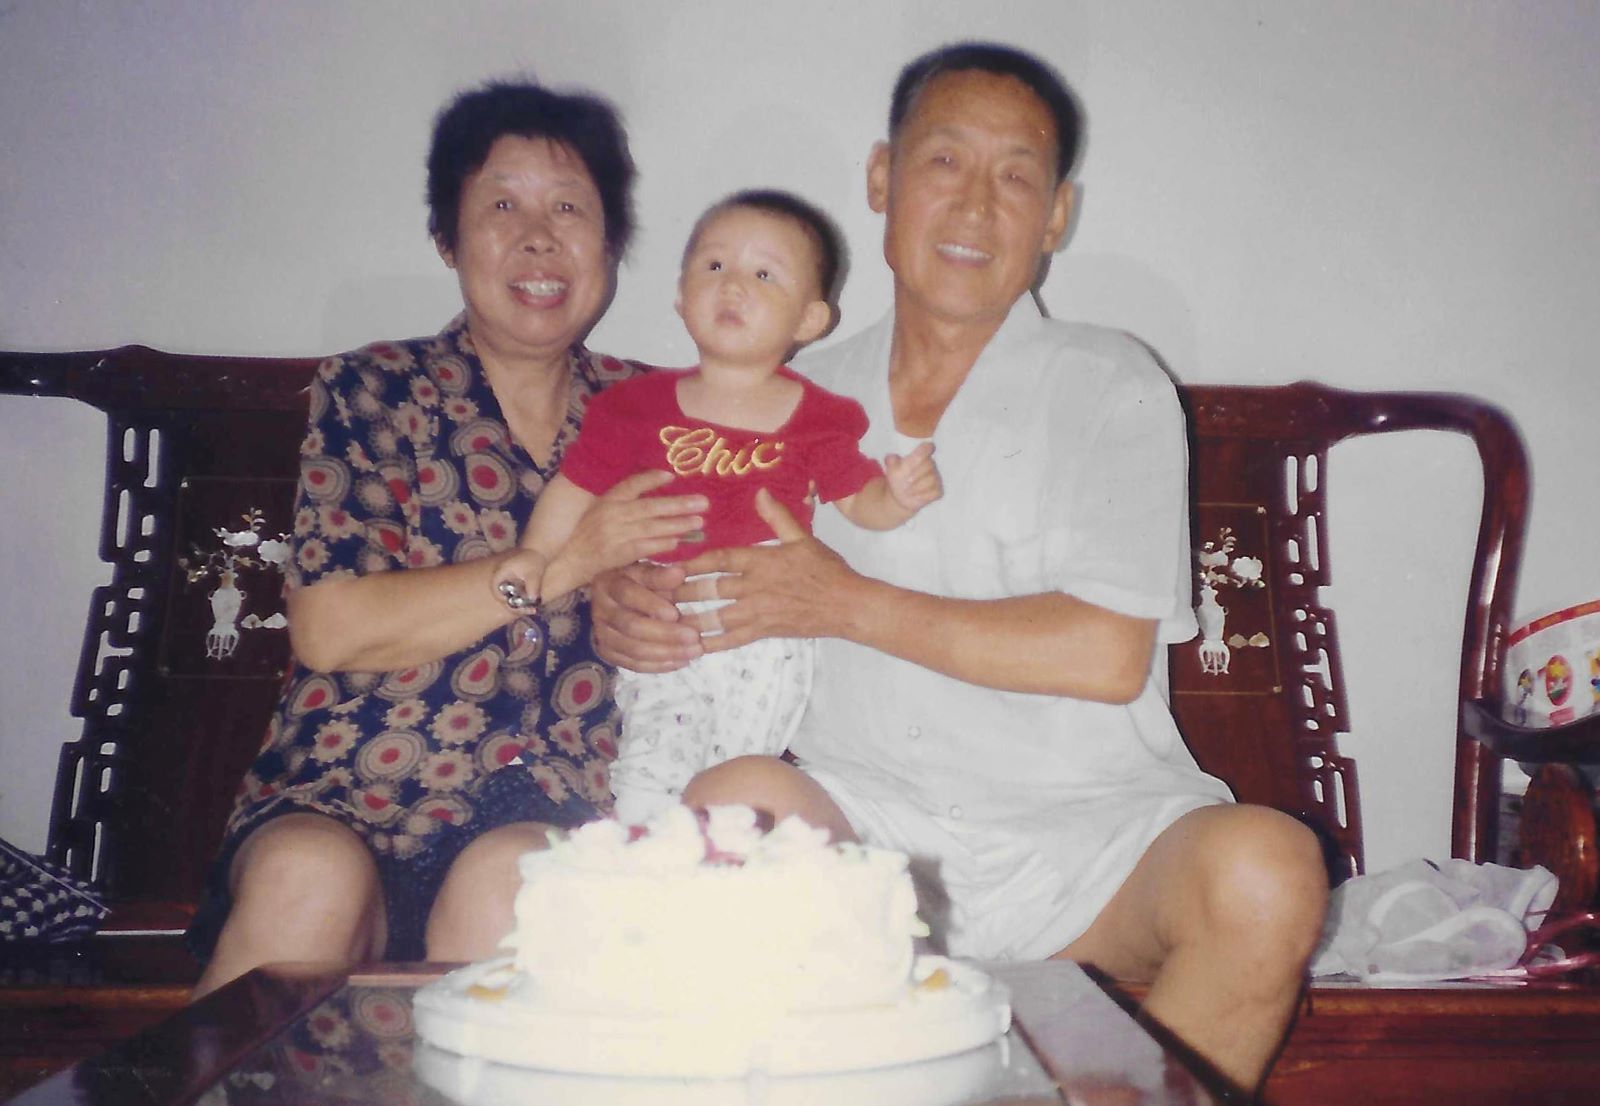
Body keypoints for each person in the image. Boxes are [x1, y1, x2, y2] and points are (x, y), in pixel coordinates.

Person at [590, 42, 1328, 1097]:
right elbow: (702, 571)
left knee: (1265, 868)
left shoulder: (1111, 383)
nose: (978, 206)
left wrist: (845, 602)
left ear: (1058, 216)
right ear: (882, 180)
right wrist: (634, 601)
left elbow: (1105, 653)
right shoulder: (786, 395)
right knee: (730, 807)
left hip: (1096, 840)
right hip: (869, 828)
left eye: (1016, 175)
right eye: (945, 162)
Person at [186, 79, 707, 998]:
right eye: (501, 205)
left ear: (611, 243)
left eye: (570, 209)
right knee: (303, 882)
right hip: (349, 788)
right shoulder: (372, 393)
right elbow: (333, 630)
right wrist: (569, 563)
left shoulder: (665, 419)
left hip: (555, 798)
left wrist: (658, 615)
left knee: (516, 889)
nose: (538, 238)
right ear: (447, 237)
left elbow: (712, 622)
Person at [491, 190, 942, 825]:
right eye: (714, 267)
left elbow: (856, 497)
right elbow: (576, 487)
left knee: (738, 777)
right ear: (680, 297)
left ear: (809, 321)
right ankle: (641, 848)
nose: (734, 286)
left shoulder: (818, 417)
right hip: (666, 611)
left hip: (765, 624)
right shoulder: (634, 406)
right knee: (655, 753)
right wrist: (536, 555)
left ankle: (714, 867)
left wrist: (894, 496)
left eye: (764, 274)